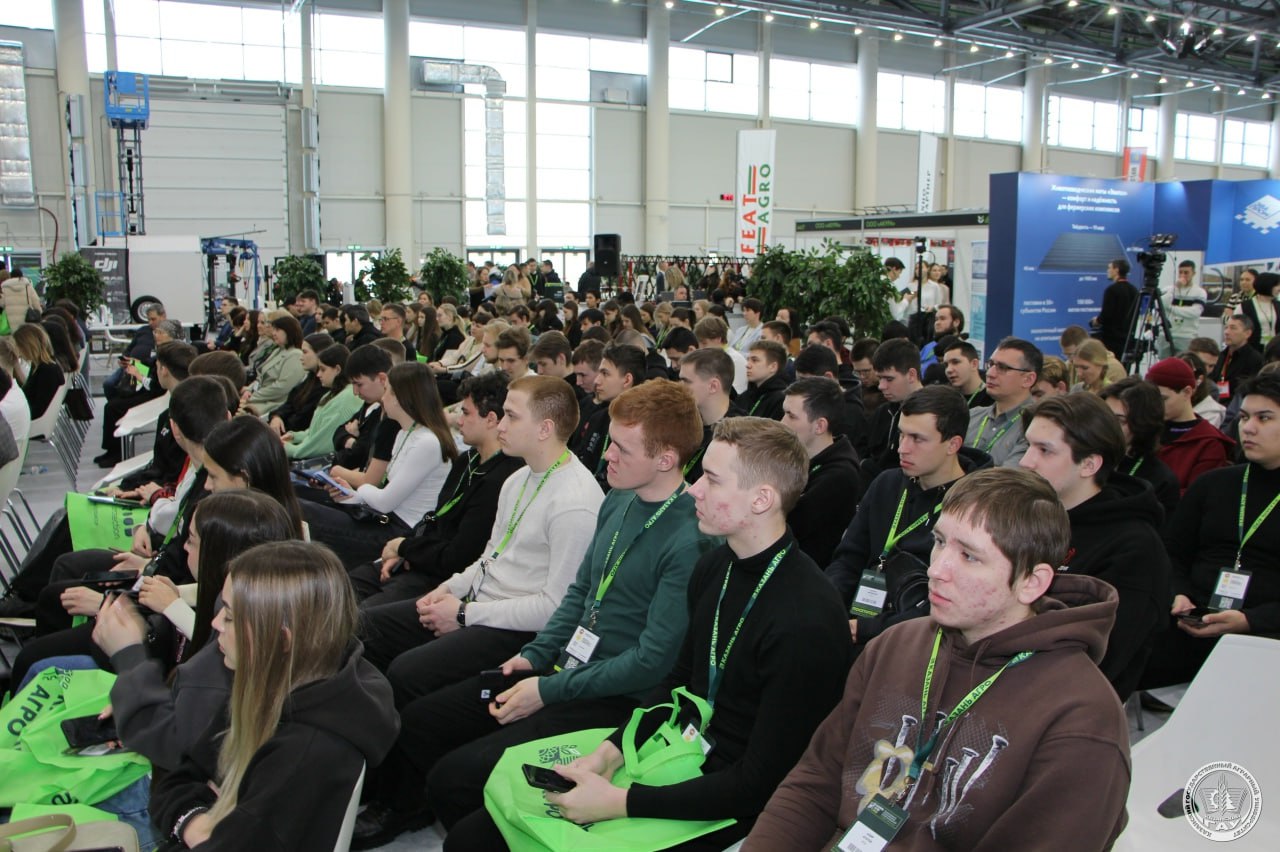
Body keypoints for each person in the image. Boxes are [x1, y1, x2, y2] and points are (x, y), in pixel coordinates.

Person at [446, 417, 855, 850]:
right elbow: (677, 681)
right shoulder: (715, 566)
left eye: (712, 480)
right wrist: (609, 753)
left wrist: (620, 802)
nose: (694, 490)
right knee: (476, 825)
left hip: (731, 797)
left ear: (761, 499)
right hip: (675, 750)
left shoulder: (807, 620)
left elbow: (759, 783)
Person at [354, 380, 710, 846]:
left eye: (622, 448)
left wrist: (547, 687)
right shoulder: (620, 498)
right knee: (423, 720)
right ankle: (403, 800)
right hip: (562, 663)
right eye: (610, 443)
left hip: (613, 695)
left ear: (665, 459)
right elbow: (579, 593)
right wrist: (535, 656)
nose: (606, 456)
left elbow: (649, 663)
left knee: (454, 778)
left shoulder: (689, 538)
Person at [746, 467, 1130, 852]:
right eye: (940, 542)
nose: (935, 570)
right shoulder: (896, 645)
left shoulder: (1082, 720)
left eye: (969, 556)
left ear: (1032, 582)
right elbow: (816, 783)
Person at [150, 541, 397, 850]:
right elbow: (180, 775)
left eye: (229, 616)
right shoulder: (280, 681)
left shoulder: (300, 757)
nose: (215, 623)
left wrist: (195, 819)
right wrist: (194, 821)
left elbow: (176, 787)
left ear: (281, 640)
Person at [93, 490, 300, 771]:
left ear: (220, 553)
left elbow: (175, 748)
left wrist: (129, 658)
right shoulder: (249, 615)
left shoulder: (226, 663)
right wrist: (137, 701)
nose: (217, 622)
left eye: (191, 540)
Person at [1019, 393, 1171, 699]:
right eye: (1028, 446)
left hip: (1061, 701)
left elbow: (1099, 660)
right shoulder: (1030, 516)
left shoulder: (1134, 548)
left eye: (1044, 450)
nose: (1025, 461)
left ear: (1088, 464)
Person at [827, 385, 991, 654]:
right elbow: (849, 558)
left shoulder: (975, 507)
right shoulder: (887, 483)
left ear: (953, 444)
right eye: (902, 434)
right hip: (857, 620)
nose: (902, 448)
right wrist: (829, 606)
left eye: (917, 439)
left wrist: (863, 629)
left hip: (918, 642)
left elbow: (946, 604)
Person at [1142, 371, 1280, 690]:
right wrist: (1178, 592)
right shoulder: (1215, 484)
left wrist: (1250, 621)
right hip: (1192, 619)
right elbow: (1172, 552)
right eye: (1244, 417)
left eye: (1264, 418)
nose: (1248, 428)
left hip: (1266, 636)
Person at [351, 373, 525, 609]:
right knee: (341, 588)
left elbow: (458, 558)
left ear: (491, 419)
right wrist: (406, 550)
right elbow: (436, 518)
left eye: (465, 413)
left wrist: (405, 548)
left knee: (364, 616)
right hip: (422, 558)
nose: (458, 421)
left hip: (444, 581)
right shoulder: (467, 460)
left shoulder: (502, 479)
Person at [304, 362, 457, 566]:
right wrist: (350, 495)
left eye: (387, 391)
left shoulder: (427, 442)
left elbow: (385, 501)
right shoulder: (405, 433)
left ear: (401, 397)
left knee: (304, 513)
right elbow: (385, 497)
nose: (383, 398)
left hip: (400, 532)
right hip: (385, 519)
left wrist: (362, 489)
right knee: (304, 507)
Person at [782, 377, 863, 566]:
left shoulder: (839, 476)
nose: (782, 422)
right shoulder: (797, 456)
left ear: (819, 426)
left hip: (806, 568)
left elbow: (789, 525)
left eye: (791, 416)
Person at [1146, 356, 1234, 494]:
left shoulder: (1209, 444)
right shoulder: (1145, 430)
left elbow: (1197, 496)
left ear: (1187, 392)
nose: (1154, 405)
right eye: (1150, 398)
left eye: (1163, 399)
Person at [1099, 376, 1181, 518]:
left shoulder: (1160, 480)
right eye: (1104, 416)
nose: (1107, 425)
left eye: (1119, 420)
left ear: (1142, 424)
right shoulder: (1080, 458)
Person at [571, 343, 646, 479]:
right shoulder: (599, 418)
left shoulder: (646, 426)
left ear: (627, 380)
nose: (597, 381)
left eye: (605, 374)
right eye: (599, 373)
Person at [965, 337, 1041, 467]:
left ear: (1028, 379)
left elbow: (1009, 476)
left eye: (1003, 367)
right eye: (990, 364)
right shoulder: (971, 416)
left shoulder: (1036, 424)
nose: (990, 373)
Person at [282, 344, 363, 460]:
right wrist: (295, 436)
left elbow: (323, 444)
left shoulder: (346, 398)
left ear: (337, 369)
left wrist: (288, 449)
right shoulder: (331, 394)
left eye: (323, 369)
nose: (318, 374)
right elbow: (317, 431)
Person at [678, 348, 744, 483]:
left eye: (686, 381)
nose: (679, 387)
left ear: (713, 386)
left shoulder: (736, 437)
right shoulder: (685, 419)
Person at [862, 338, 924, 477]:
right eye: (879, 378)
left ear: (911, 375)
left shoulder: (933, 414)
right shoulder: (882, 412)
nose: (881, 386)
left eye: (889, 379)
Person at [265, 332, 333, 435]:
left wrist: (278, 424)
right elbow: (289, 404)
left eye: (305, 352)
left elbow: (300, 422)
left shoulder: (324, 386)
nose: (301, 357)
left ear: (319, 353)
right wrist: (276, 417)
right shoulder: (311, 378)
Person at [240, 314, 306, 416]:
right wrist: (249, 390)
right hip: (261, 397)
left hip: (273, 403)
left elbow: (282, 387)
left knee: (239, 413)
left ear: (289, 332)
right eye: (274, 330)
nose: (274, 333)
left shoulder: (295, 355)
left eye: (277, 330)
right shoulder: (277, 350)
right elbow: (261, 376)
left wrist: (254, 396)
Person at [7, 323, 65, 420]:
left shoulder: (47, 371)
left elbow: (39, 410)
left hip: (36, 422)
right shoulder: (42, 366)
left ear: (27, 346)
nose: (18, 352)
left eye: (18, 347)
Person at [1211, 314, 1264, 401]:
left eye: (1233, 328)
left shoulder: (1254, 359)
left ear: (1247, 333)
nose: (1227, 332)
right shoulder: (1221, 355)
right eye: (1226, 327)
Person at [1092, 256, 1138, 357]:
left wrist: (1096, 321)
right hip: (1127, 339)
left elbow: (1106, 315)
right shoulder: (1134, 290)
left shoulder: (1111, 290)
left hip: (1111, 340)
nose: (1107, 271)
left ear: (1116, 270)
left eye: (1109, 268)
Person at [737, 340, 790, 420]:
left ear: (773, 367)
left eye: (754, 360)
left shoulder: (782, 401)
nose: (747, 365)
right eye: (748, 360)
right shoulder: (744, 396)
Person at [694, 316, 748, 395]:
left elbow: (735, 394)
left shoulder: (735, 360)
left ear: (718, 339)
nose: (700, 348)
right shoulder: (710, 358)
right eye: (699, 344)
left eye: (704, 343)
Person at [1165, 259, 1208, 354]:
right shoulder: (1169, 289)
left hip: (1187, 336)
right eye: (1180, 272)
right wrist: (1175, 288)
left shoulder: (1199, 292)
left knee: (1185, 361)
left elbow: (1195, 312)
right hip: (1166, 335)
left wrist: (1171, 308)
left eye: (1186, 272)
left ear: (1193, 273)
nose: (1182, 275)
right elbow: (1162, 304)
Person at [938, 338, 992, 408]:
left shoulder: (992, 398)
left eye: (955, 362)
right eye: (946, 365)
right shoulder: (944, 398)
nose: (949, 370)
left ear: (974, 364)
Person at [1240, 271, 1279, 353]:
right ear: (1267, 285)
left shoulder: (1278, 305)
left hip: (1275, 349)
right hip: (1253, 349)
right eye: (1277, 285)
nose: (1279, 288)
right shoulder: (1245, 306)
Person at [1, 264, 42, 331]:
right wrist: (39, 312)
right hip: (27, 319)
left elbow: (1, 303)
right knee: (24, 336)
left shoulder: (4, 288)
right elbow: (36, 300)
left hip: (10, 320)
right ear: (22, 276)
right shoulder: (27, 286)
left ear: (10, 276)